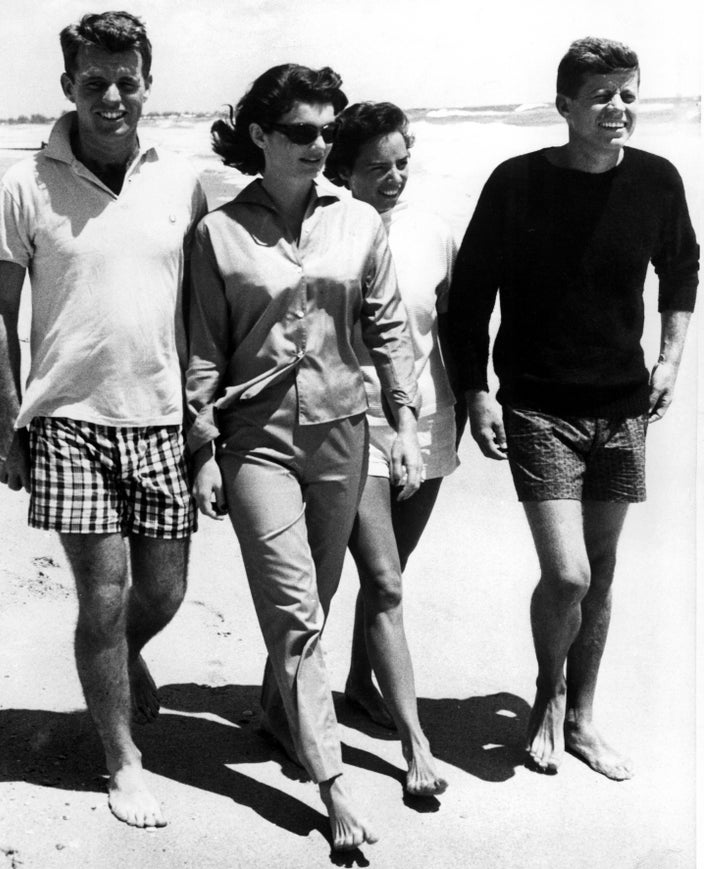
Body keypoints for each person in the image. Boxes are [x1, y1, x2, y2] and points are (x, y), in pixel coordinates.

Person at [444, 37, 698, 781]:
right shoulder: (516, 182)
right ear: (564, 107)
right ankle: (547, 691)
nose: (618, 109)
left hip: (624, 407)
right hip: (539, 406)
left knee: (604, 568)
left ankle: (583, 715)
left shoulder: (656, 180)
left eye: (628, 93)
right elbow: (472, 297)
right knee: (569, 574)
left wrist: (672, 358)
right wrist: (476, 389)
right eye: (601, 97)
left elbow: (682, 267)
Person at [185, 64, 422, 851]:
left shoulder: (359, 221)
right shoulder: (217, 233)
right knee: (294, 612)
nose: (320, 144)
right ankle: (334, 787)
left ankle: (277, 714)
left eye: (328, 130)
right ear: (260, 135)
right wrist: (205, 452)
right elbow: (202, 358)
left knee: (313, 604)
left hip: (343, 433)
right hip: (256, 443)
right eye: (301, 132)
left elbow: (389, 330)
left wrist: (405, 424)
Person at [0, 11, 207, 827]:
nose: (112, 96)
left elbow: (199, 308)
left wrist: (201, 417)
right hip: (69, 418)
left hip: (158, 415)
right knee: (104, 599)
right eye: (94, 82)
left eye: (127, 80)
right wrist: (9, 422)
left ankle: (114, 659)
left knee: (167, 589)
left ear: (147, 81)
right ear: (67, 86)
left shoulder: (179, 181)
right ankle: (122, 759)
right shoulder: (25, 183)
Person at [325, 102, 457, 796]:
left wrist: (475, 406)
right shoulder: (325, 233)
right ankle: (416, 745)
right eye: (378, 166)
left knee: (390, 572)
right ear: (344, 169)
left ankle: (352, 683)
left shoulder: (435, 232)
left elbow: (459, 328)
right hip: (353, 429)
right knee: (385, 581)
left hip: (428, 424)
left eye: (403, 162)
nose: (395, 176)